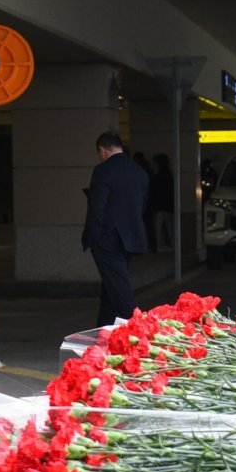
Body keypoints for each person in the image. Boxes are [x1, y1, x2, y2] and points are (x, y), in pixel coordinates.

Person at [82, 131, 149, 327]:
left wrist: (93, 236)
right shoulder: (140, 172)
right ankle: (103, 331)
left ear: (102, 150)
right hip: (131, 237)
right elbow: (143, 205)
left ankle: (139, 330)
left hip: (107, 238)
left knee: (119, 290)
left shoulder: (103, 171)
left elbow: (97, 206)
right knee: (110, 289)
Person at [150, 154, 176, 253]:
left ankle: (161, 246)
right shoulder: (168, 175)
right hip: (168, 205)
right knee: (169, 227)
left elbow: (157, 192)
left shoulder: (160, 176)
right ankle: (171, 246)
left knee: (160, 227)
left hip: (162, 206)